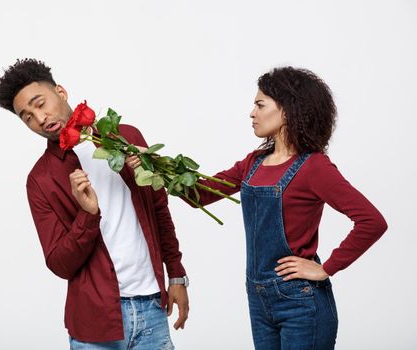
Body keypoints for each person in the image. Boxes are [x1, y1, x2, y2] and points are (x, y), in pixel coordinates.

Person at [127, 66, 387, 349]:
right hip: (259, 298)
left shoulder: (314, 167)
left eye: (260, 104)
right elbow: (198, 195)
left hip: (301, 302)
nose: (252, 113)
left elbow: (372, 221)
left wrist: (326, 268)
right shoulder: (254, 162)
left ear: (287, 110)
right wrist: (153, 164)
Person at [0, 58, 189, 350]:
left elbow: (159, 210)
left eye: (40, 103)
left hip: (152, 308)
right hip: (95, 322)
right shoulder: (41, 180)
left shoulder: (127, 138)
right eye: (27, 116)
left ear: (61, 91)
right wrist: (88, 214)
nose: (40, 118)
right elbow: (59, 262)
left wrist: (176, 275)